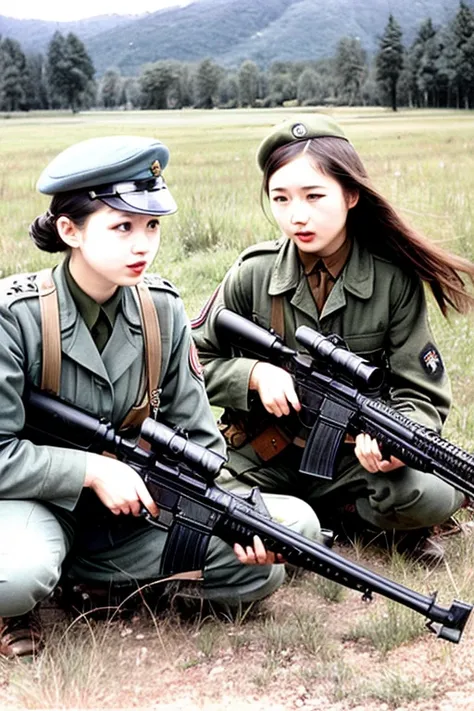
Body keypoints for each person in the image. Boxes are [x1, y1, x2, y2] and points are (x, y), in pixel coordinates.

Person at [0, 135, 320, 659]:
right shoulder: (16, 318)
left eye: (151, 226)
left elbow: (200, 437)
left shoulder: (161, 310)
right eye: (122, 227)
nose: (142, 244)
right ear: (69, 230)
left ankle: (99, 583)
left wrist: (210, 507)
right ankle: (28, 596)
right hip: (39, 502)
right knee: (16, 576)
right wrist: (93, 471)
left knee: (288, 531)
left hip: (136, 510)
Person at [192, 113, 474, 562]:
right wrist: (253, 375)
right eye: (280, 199)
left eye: (314, 196)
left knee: (433, 491)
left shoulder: (391, 280)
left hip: (351, 464)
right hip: (264, 456)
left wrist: (396, 446)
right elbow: (191, 363)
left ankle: (334, 515)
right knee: (194, 484)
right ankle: (319, 521)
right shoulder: (253, 274)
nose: (296, 215)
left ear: (351, 194)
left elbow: (420, 393)